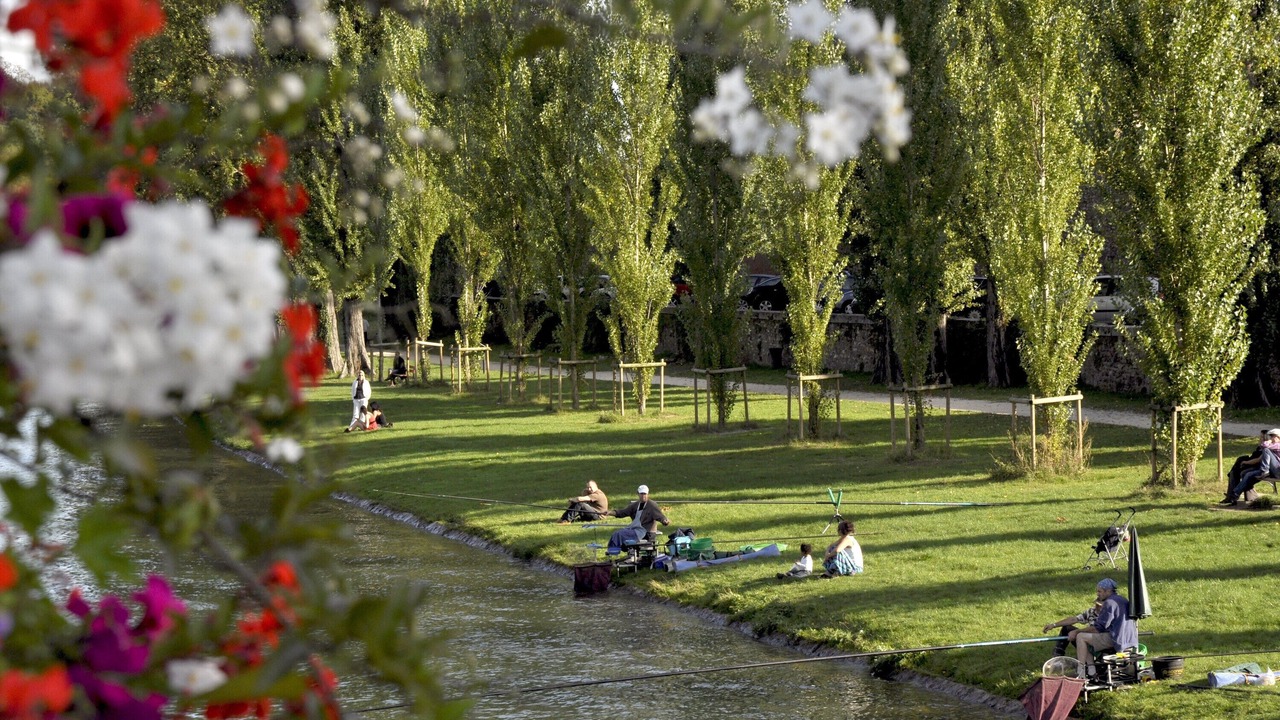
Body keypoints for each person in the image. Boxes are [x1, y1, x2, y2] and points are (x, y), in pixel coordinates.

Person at [1072, 578, 1139, 679]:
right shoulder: (1123, 599)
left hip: (1116, 639)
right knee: (1087, 639)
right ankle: (1091, 670)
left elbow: (1099, 628)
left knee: (1081, 637)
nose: (1097, 594)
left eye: (1099, 591)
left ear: (1108, 591)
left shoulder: (1109, 603)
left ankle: (1081, 672)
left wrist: (1077, 631)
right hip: (1130, 639)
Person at [603, 485, 670, 555]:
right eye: (641, 494)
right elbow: (623, 512)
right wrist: (610, 512)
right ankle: (612, 551)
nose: (643, 496)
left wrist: (665, 521)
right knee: (616, 533)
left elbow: (660, 516)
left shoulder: (652, 505)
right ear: (638, 494)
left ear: (648, 494)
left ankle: (612, 552)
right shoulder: (635, 505)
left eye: (645, 494)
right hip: (635, 529)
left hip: (645, 533)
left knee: (619, 534)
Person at [1222, 428, 1280, 504]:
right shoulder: (1273, 446)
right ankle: (1234, 495)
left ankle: (1263, 471)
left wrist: (1268, 441)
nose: (1272, 438)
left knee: (1266, 450)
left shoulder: (1278, 445)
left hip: (1276, 471)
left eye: (1273, 436)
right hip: (1271, 470)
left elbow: (1264, 446)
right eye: (1271, 436)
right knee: (1247, 474)